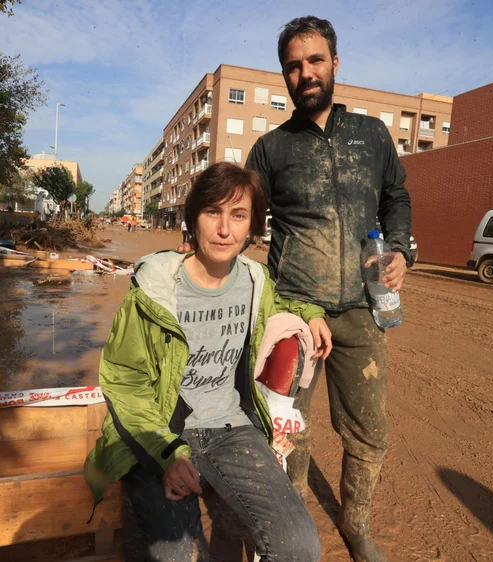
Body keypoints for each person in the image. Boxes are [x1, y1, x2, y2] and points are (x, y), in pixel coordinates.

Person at [85, 162, 331, 562]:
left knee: (300, 546)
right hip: (163, 429)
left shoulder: (256, 281)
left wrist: (312, 312)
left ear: (252, 227)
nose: (224, 229)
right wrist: (167, 455)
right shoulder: (154, 291)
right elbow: (125, 381)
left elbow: (281, 302)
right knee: (179, 554)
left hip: (232, 429)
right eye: (212, 212)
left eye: (238, 216)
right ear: (193, 219)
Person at [244, 16, 413, 562]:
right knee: (287, 429)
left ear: (335, 64)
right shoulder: (271, 150)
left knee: (368, 429)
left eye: (315, 61)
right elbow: (240, 218)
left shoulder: (372, 136)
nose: (305, 73)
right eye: (294, 66)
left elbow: (397, 197)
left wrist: (402, 252)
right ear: (285, 76)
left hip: (365, 311)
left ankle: (356, 523)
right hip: (295, 312)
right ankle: (293, 531)